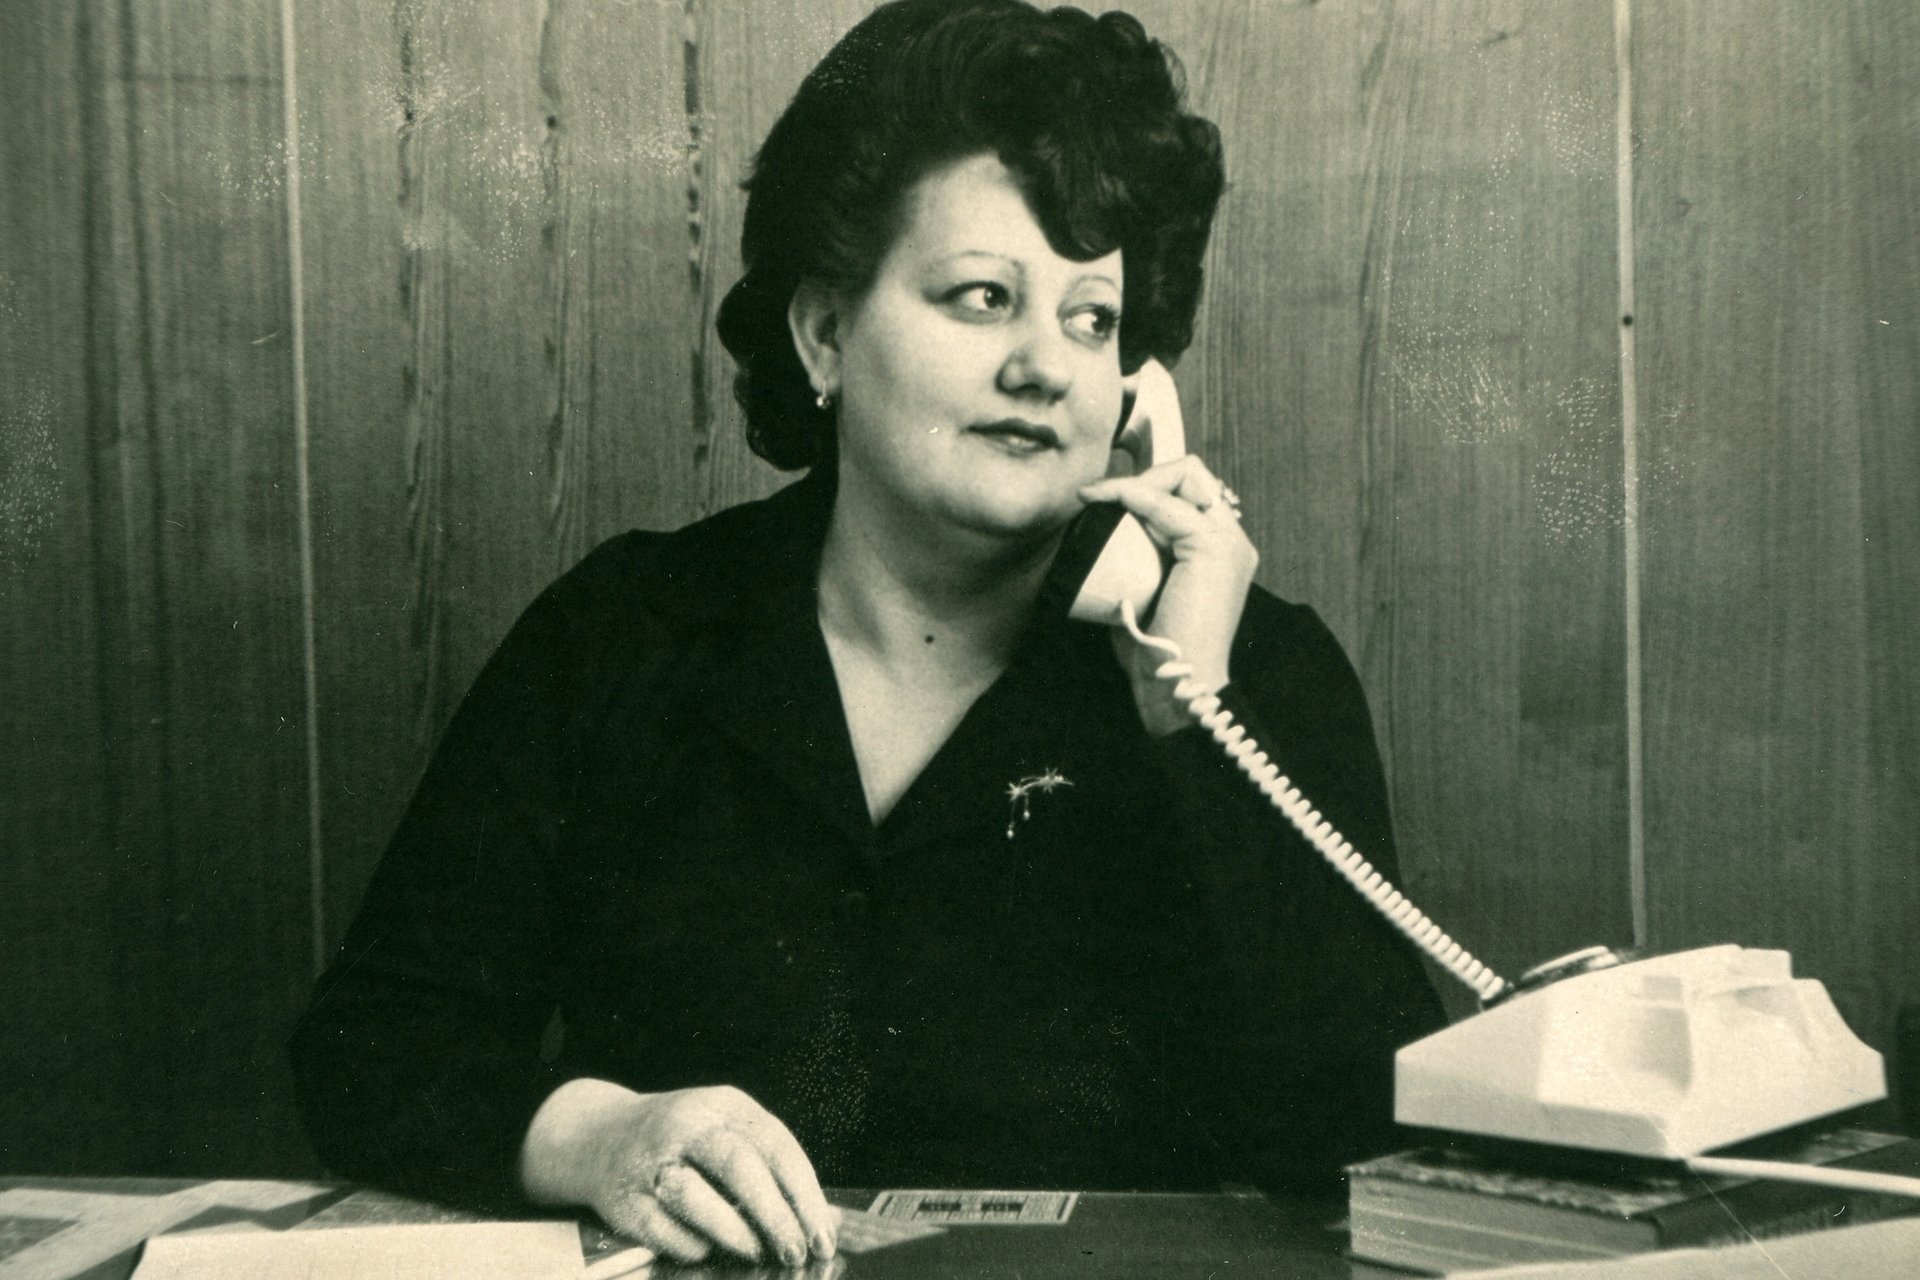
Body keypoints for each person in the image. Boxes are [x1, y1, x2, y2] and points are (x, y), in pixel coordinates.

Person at [290, 0, 1445, 1268]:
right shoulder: (627, 631)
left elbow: (1365, 1139)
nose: (1047, 366)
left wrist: (1194, 719)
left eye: (1092, 319)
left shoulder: (1249, 669)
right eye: (982, 297)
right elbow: (367, 1047)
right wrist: (601, 1133)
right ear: (826, 333)